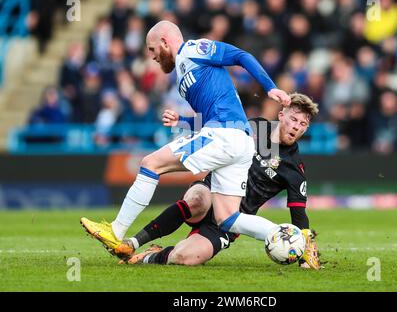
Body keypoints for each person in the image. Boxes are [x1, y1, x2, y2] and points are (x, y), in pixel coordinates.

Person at [80, 21, 291, 254]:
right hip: (239, 141)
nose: (152, 56)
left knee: (150, 164)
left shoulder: (194, 49)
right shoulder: (182, 75)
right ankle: (290, 236)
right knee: (227, 218)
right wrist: (184, 121)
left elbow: (241, 56)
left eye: (152, 49)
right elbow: (210, 114)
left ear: (164, 42)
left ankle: (116, 231)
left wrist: (270, 87)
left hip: (225, 135)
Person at [113, 93, 321, 269]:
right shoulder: (255, 126)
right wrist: (184, 122)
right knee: (197, 200)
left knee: (186, 257)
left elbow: (298, 214)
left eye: (303, 124)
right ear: (281, 115)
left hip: (233, 219)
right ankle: (133, 242)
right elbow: (219, 128)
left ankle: (151, 256)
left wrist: (306, 251)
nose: (297, 127)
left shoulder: (294, 168)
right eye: (294, 119)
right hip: (212, 190)